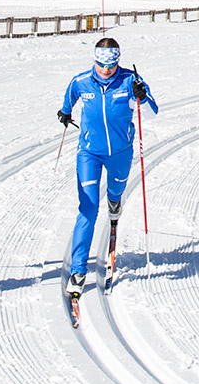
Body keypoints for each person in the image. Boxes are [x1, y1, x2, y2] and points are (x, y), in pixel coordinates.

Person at [58, 37, 157, 295]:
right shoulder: (81, 82)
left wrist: (142, 97)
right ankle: (79, 269)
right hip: (89, 154)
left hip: (120, 153)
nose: (105, 70)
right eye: (101, 64)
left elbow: (151, 112)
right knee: (88, 208)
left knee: (116, 191)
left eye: (111, 65)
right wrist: (65, 112)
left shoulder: (129, 80)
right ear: (94, 60)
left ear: (118, 61)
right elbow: (68, 101)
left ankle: (115, 201)